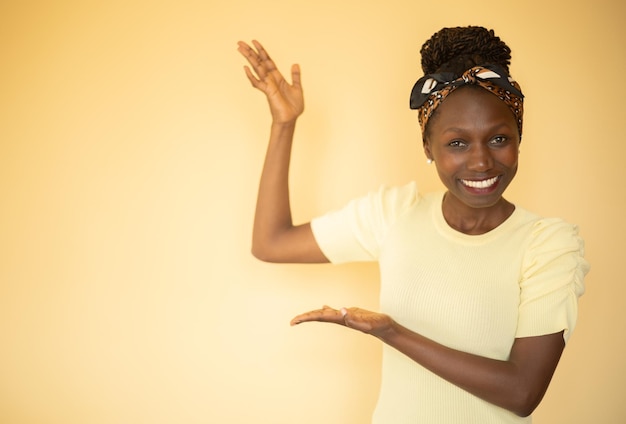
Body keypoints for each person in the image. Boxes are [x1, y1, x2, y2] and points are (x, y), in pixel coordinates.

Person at [237, 26, 589, 423]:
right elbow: (271, 243)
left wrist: (392, 333)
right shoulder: (394, 213)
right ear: (428, 147)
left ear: (518, 138)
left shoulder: (548, 244)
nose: (481, 162)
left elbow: (522, 391)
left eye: (498, 139)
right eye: (457, 143)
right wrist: (284, 124)